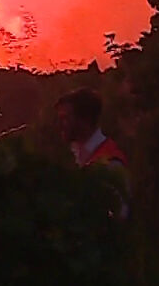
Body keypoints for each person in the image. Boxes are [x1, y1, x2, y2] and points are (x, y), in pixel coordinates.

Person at [55, 88, 129, 218]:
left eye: (66, 118)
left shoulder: (111, 163)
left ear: (85, 120)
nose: (60, 125)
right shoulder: (80, 158)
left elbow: (119, 217)